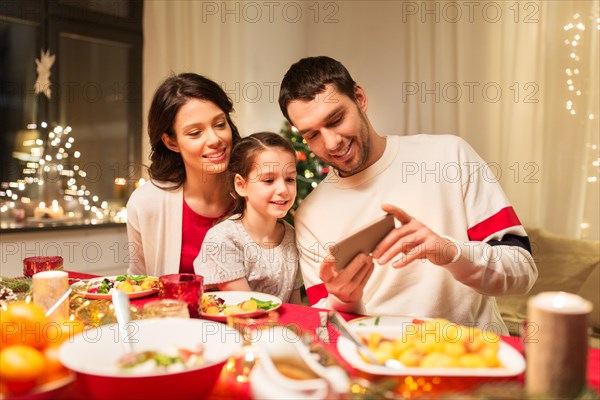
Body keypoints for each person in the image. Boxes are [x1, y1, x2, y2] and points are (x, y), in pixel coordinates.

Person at [278, 56, 537, 334]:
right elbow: (324, 324)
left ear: (360, 98)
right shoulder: (310, 214)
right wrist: (343, 299)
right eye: (312, 135)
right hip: (381, 362)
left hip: (472, 356)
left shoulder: (449, 156)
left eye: (336, 119)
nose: (331, 143)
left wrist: (449, 252)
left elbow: (523, 272)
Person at [126, 73, 242, 277]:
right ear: (171, 142)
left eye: (220, 124)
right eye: (195, 133)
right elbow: (138, 283)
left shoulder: (257, 191)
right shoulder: (145, 203)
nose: (214, 139)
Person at [194, 132, 303, 304]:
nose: (283, 189)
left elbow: (296, 307)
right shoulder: (223, 239)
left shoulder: (293, 237)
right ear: (241, 185)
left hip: (281, 329)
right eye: (268, 180)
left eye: (290, 179)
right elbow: (246, 308)